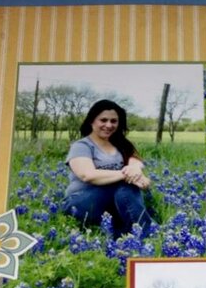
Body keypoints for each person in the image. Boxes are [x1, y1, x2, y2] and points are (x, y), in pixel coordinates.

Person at [63, 99, 153, 238]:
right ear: (92, 121)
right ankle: (147, 234)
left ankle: (125, 235)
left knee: (127, 186)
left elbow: (135, 162)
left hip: (113, 205)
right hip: (82, 203)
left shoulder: (122, 144)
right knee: (125, 184)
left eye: (113, 121)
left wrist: (137, 172)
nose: (109, 125)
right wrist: (126, 175)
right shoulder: (81, 146)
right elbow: (88, 175)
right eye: (103, 120)